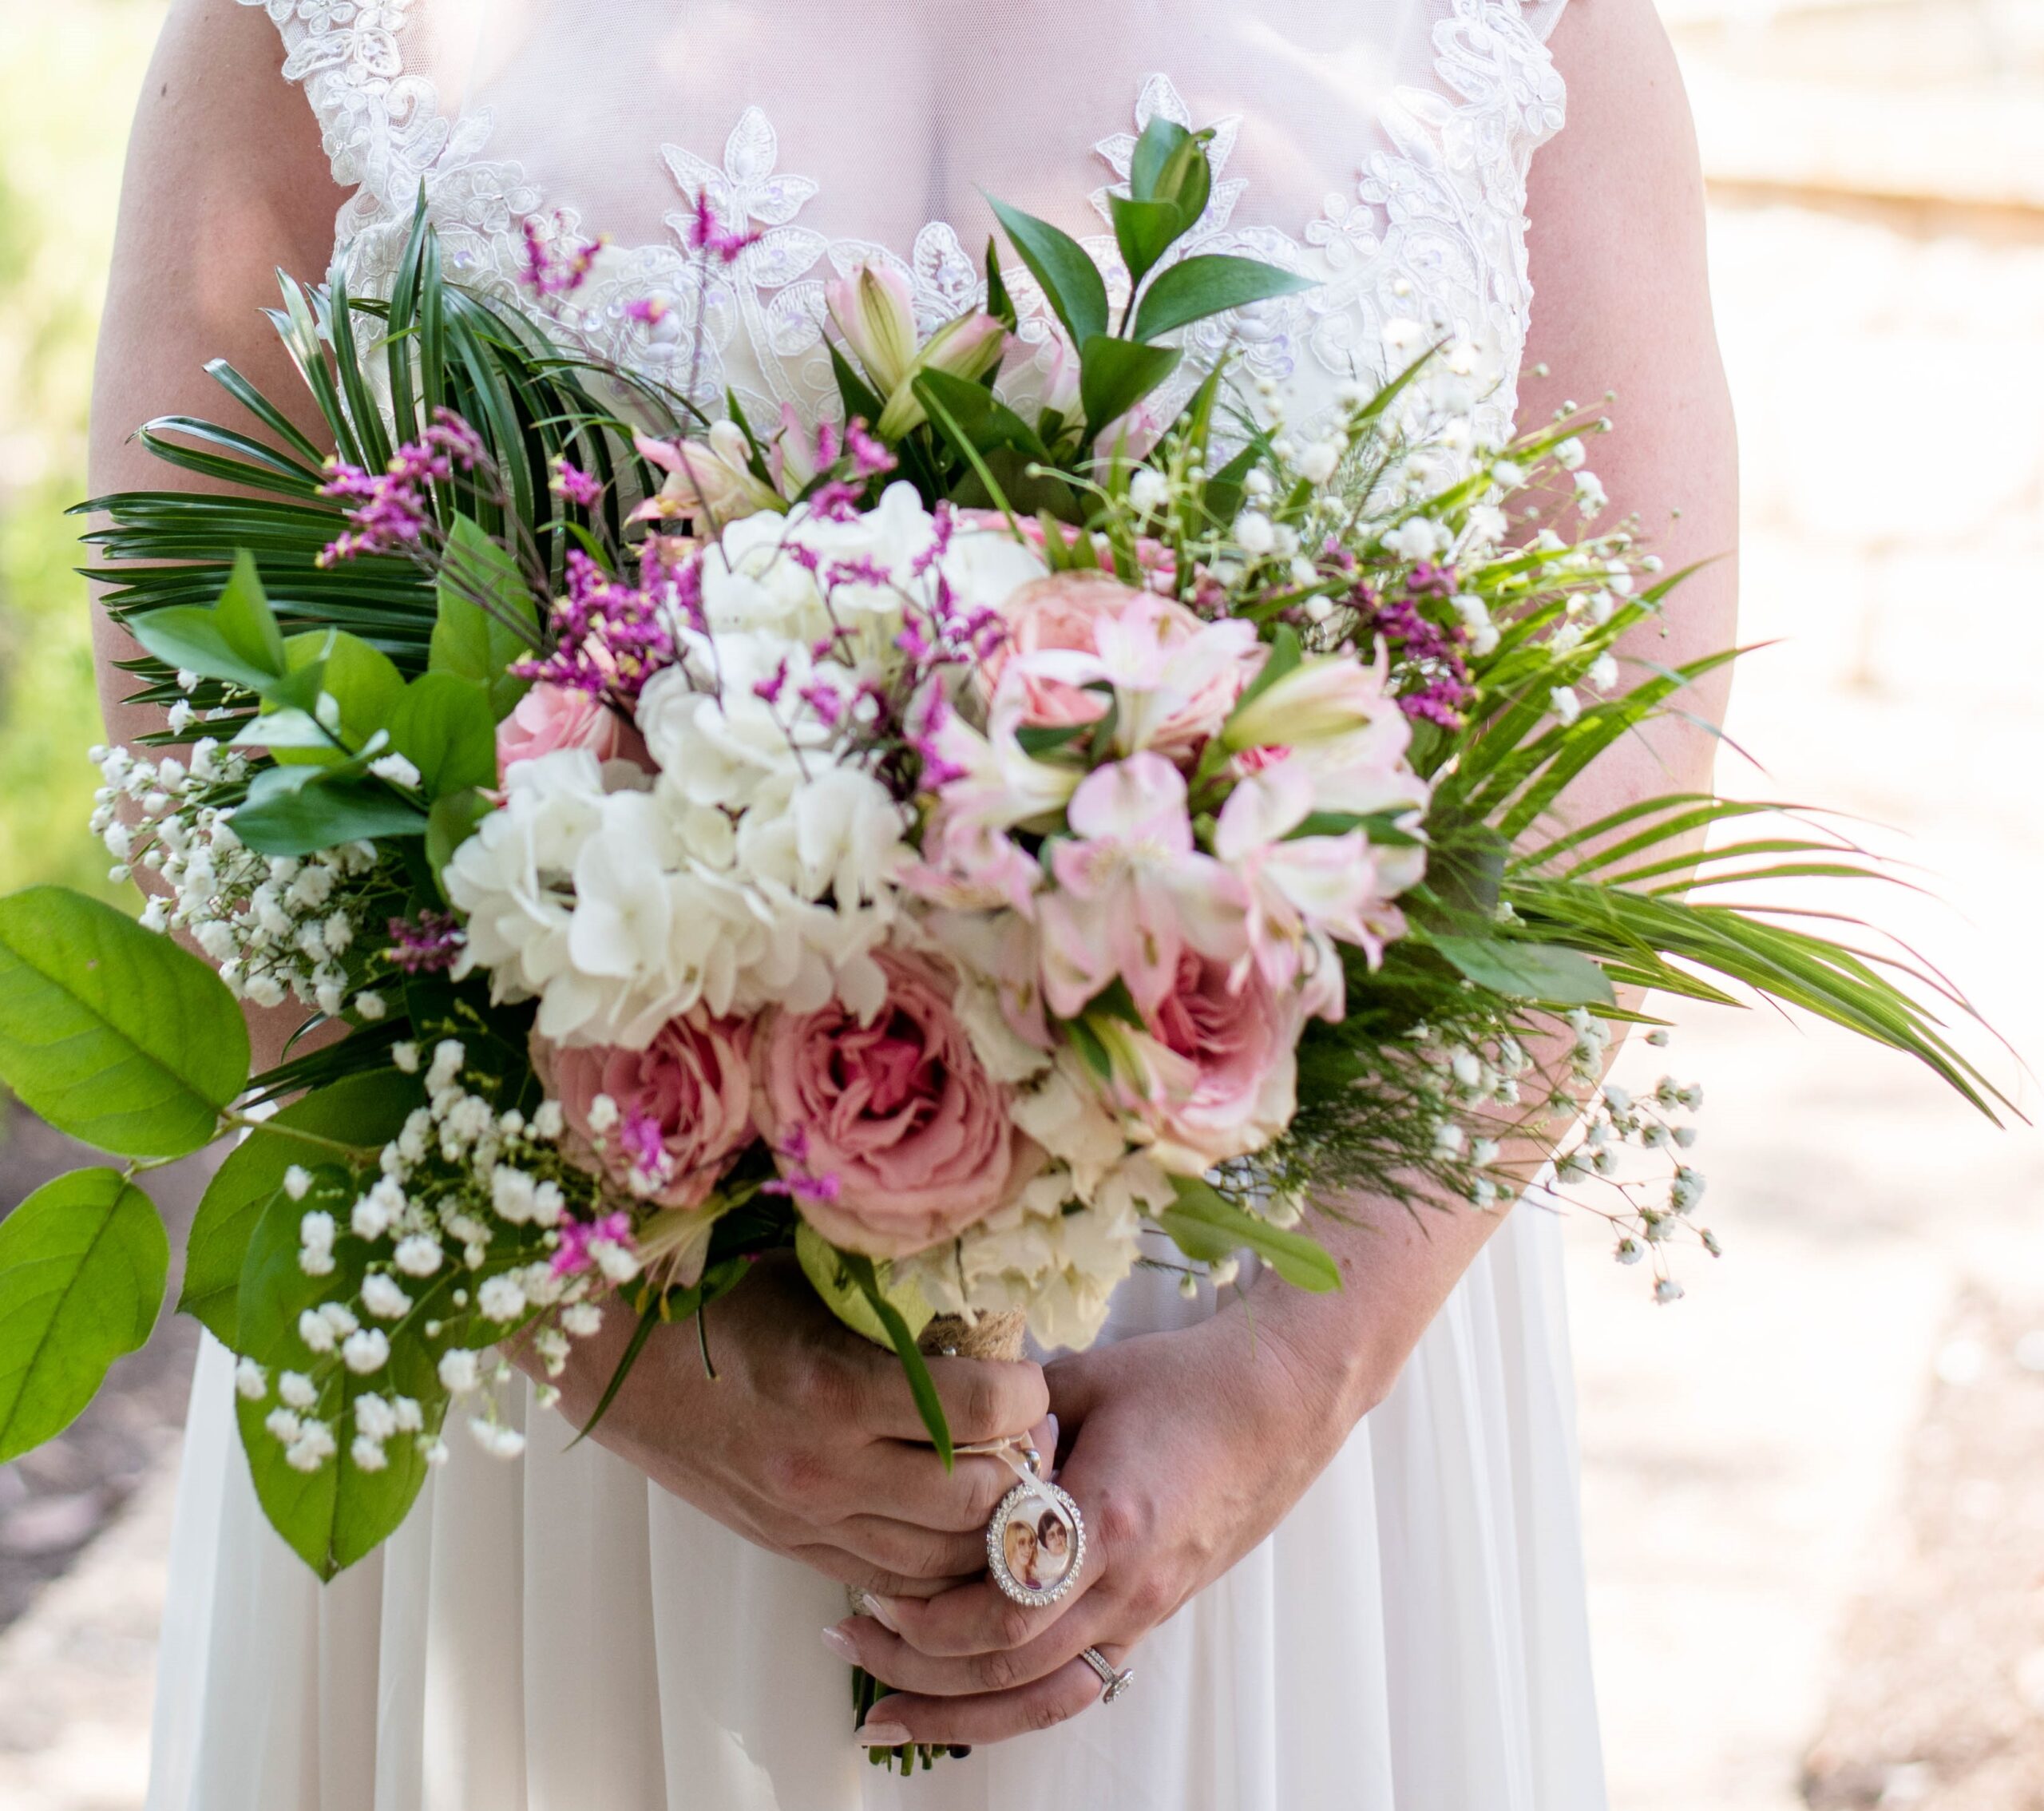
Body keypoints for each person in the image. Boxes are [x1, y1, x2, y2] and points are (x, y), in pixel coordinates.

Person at [93, 2, 1736, 1805]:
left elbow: (1608, 755)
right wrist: (606, 1353)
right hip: (565, 1402)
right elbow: (198, 726)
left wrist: (1288, 1378)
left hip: (1262, 1393)